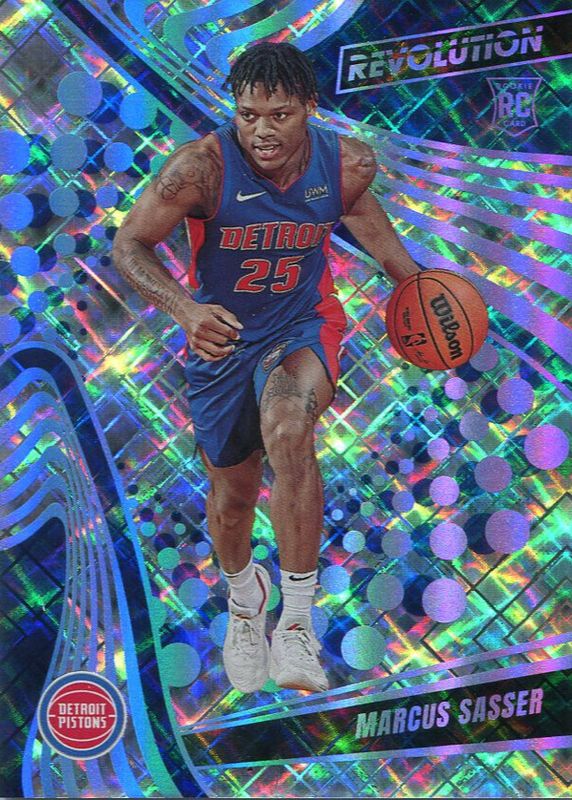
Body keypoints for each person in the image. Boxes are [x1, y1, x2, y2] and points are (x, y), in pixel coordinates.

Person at [112, 42, 420, 694]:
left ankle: (298, 624)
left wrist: (421, 289)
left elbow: (365, 220)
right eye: (248, 115)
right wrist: (185, 309)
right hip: (223, 340)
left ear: (309, 106)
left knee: (289, 426)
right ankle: (244, 598)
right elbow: (129, 243)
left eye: (279, 115)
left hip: (302, 325)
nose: (262, 131)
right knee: (232, 501)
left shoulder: (347, 164)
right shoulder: (200, 168)